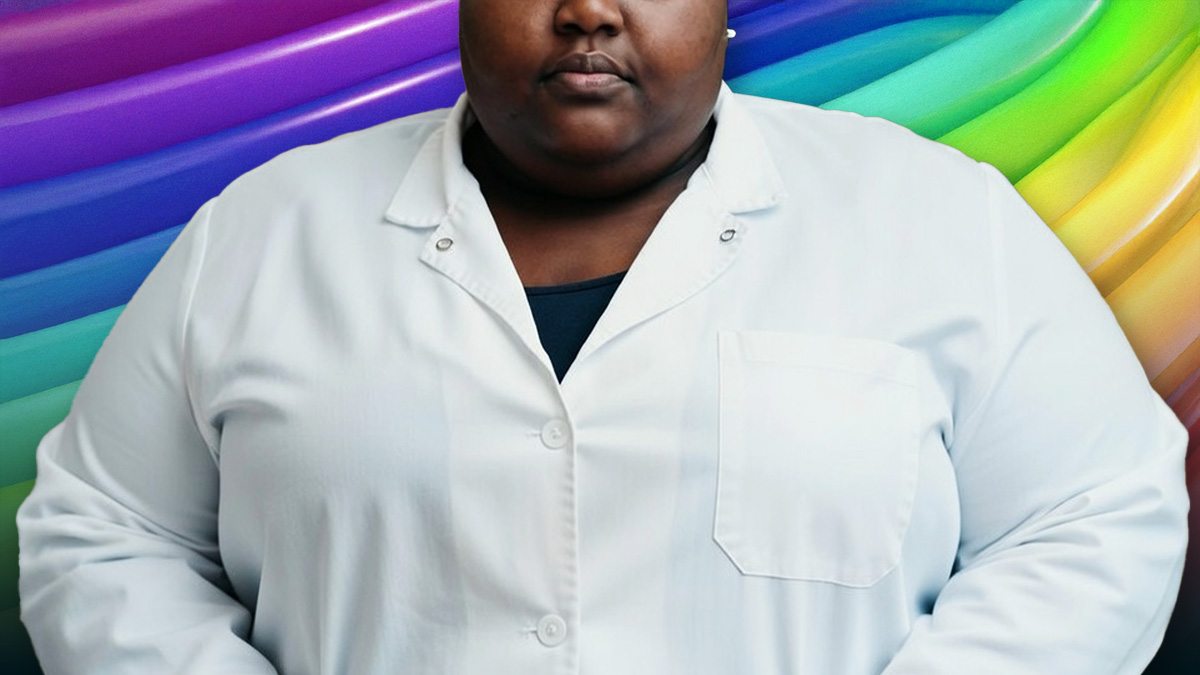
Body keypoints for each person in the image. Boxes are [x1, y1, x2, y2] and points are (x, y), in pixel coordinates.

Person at [16, 0, 1189, 673]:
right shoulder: (266, 231)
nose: (586, 9)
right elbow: (104, 531)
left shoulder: (937, 216)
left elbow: (1097, 515)